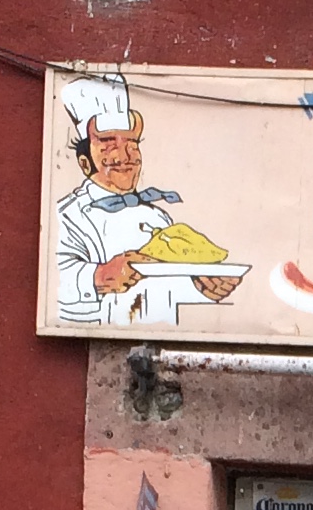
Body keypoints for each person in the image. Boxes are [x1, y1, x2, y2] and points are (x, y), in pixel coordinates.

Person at [55, 74, 242, 327]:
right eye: (108, 143)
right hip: (94, 340)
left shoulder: (157, 217)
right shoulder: (66, 216)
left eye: (132, 143)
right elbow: (51, 283)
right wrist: (99, 276)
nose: (124, 156)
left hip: (158, 342)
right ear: (84, 162)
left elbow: (165, 289)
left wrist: (202, 286)